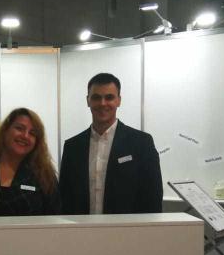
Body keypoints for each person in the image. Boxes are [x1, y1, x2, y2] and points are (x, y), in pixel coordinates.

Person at [59, 72, 162, 215]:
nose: (102, 103)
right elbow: (64, 198)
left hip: (126, 228)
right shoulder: (72, 147)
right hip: (81, 228)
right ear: (88, 101)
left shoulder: (141, 143)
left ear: (119, 101)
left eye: (109, 97)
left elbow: (153, 198)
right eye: (96, 97)